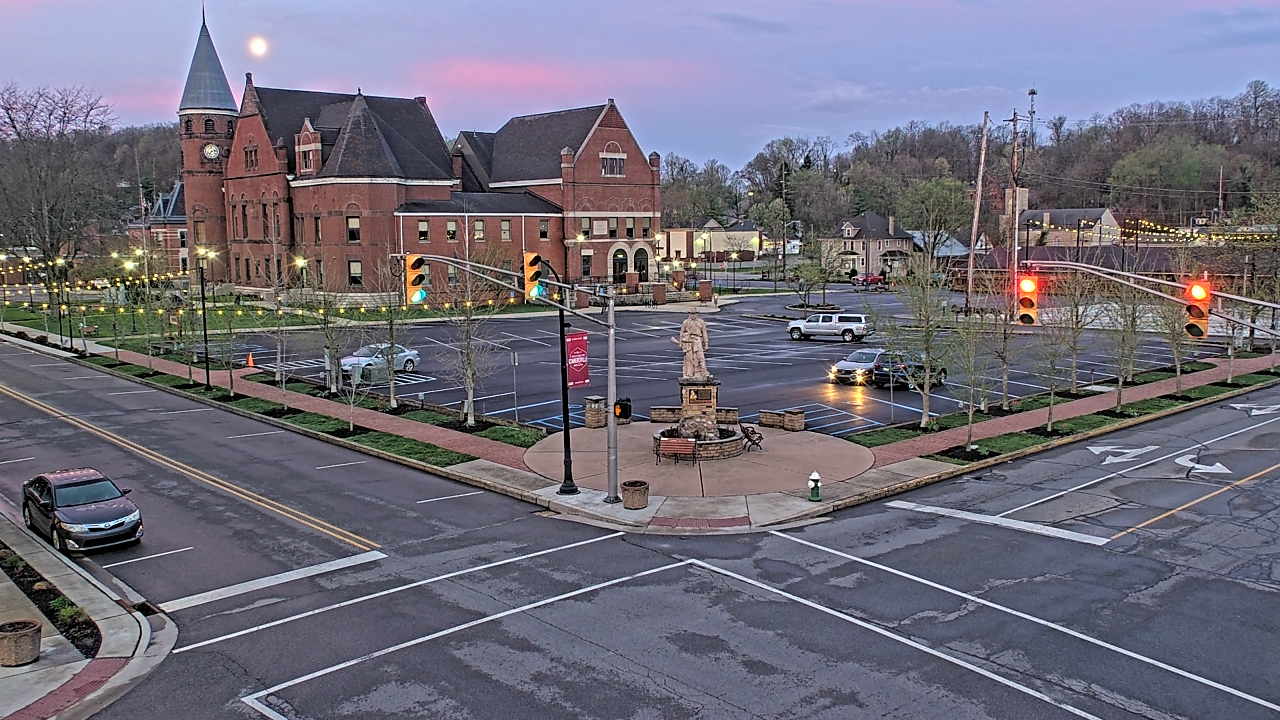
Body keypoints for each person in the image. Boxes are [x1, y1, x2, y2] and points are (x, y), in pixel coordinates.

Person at [671, 308, 710, 379]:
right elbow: (682, 333)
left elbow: (704, 333)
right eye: (691, 314)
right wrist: (681, 342)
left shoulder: (701, 322)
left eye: (694, 314)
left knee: (701, 357)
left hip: (697, 341)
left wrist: (706, 343)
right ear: (689, 314)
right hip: (688, 341)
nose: (693, 315)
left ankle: (704, 372)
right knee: (689, 358)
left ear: (697, 314)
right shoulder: (686, 322)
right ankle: (690, 373)